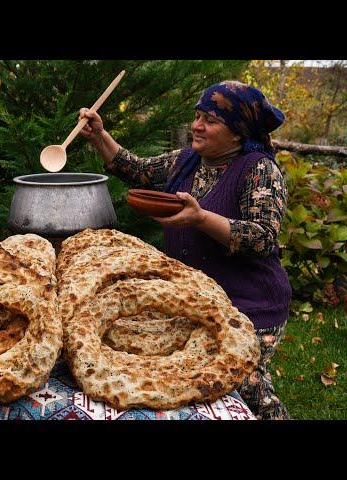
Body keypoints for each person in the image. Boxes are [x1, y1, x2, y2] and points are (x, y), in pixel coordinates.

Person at [79, 80, 292, 420]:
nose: (196, 125)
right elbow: (137, 169)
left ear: (237, 132)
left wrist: (201, 218)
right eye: (197, 116)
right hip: (200, 300)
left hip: (252, 303)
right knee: (195, 381)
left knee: (243, 380)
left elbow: (263, 236)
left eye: (210, 120)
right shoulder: (188, 159)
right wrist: (99, 136)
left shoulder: (259, 170)